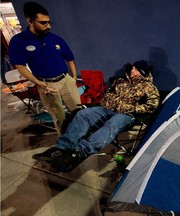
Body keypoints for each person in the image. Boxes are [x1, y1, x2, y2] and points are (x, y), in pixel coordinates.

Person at [32, 60, 160, 173]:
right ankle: (61, 148)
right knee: (83, 114)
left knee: (112, 125)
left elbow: (151, 107)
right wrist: (108, 101)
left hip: (126, 115)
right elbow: (109, 93)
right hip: (106, 109)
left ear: (143, 72)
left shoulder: (149, 87)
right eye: (133, 67)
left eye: (136, 69)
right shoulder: (121, 80)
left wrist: (130, 108)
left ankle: (79, 152)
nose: (132, 70)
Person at [8, 2, 81, 134]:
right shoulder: (18, 41)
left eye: (49, 22)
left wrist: (73, 78)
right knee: (59, 118)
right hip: (46, 85)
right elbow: (21, 67)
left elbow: (69, 58)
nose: (48, 26)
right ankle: (66, 143)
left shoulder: (55, 38)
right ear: (30, 20)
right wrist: (39, 83)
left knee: (79, 112)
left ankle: (82, 136)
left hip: (66, 81)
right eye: (43, 23)